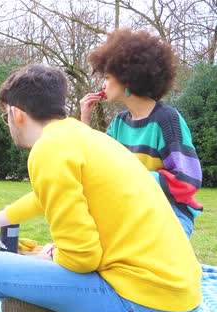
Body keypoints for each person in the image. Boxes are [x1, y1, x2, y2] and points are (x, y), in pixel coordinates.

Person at [0, 64, 201, 312]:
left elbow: (82, 257)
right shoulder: (86, 138)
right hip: (182, 299)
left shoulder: (49, 149)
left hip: (146, 306)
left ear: (17, 114)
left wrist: (38, 263)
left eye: (6, 117)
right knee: (22, 280)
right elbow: (43, 197)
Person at [80, 28, 202, 238]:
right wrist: (84, 120)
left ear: (127, 79)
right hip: (134, 212)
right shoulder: (120, 123)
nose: (103, 84)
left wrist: (131, 178)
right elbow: (97, 166)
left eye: (107, 77)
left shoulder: (166, 120)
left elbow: (188, 179)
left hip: (170, 214)